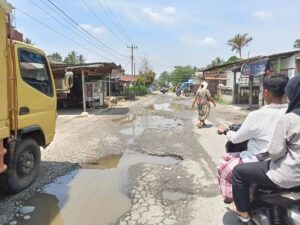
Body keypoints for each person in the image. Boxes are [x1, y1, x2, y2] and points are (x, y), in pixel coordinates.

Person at [231, 75, 300, 222]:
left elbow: (275, 152)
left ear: (266, 92)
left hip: (289, 173)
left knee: (238, 172)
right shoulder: (286, 112)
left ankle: (243, 212)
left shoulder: (290, 118)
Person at [217, 74, 289, 203]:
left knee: (224, 163)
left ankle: (233, 199)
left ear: (266, 92)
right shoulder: (292, 112)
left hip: (260, 161)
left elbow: (236, 139)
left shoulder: (257, 115)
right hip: (285, 162)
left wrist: (227, 131)